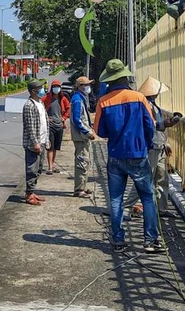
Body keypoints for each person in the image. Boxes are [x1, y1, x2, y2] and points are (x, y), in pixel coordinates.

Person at [94, 59, 162, 254]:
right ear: (125, 76)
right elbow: (151, 126)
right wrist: (146, 144)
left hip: (115, 155)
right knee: (148, 197)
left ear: (109, 80)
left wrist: (115, 134)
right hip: (138, 154)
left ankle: (118, 241)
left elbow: (99, 130)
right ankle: (150, 241)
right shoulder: (139, 98)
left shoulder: (103, 101)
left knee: (116, 200)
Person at [131, 77, 179, 218]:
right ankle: (129, 205)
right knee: (146, 177)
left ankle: (161, 207)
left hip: (159, 145)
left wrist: (166, 142)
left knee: (162, 177)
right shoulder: (145, 106)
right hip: (151, 146)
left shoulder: (154, 105)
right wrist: (166, 123)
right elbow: (152, 125)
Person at [21, 79, 50, 206]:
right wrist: (35, 143)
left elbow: (45, 122)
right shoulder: (29, 105)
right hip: (34, 143)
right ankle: (29, 194)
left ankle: (32, 191)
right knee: (32, 169)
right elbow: (30, 126)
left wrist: (46, 139)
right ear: (34, 90)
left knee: (39, 168)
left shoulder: (40, 103)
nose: (43, 90)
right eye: (41, 88)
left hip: (43, 140)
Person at [69, 75, 97, 197]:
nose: (88, 87)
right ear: (80, 86)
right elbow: (77, 120)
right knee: (82, 161)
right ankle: (79, 189)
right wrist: (88, 132)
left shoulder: (81, 98)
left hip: (82, 136)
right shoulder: (77, 100)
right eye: (86, 85)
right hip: (80, 136)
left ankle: (82, 186)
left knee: (85, 161)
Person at [42, 80, 70, 175]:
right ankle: (50, 167)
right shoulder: (46, 98)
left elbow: (68, 108)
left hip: (59, 126)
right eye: (54, 86)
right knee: (50, 146)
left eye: (58, 86)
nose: (56, 88)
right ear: (51, 88)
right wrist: (46, 118)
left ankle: (52, 165)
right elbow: (41, 109)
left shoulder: (63, 99)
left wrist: (64, 118)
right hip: (50, 126)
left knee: (55, 148)